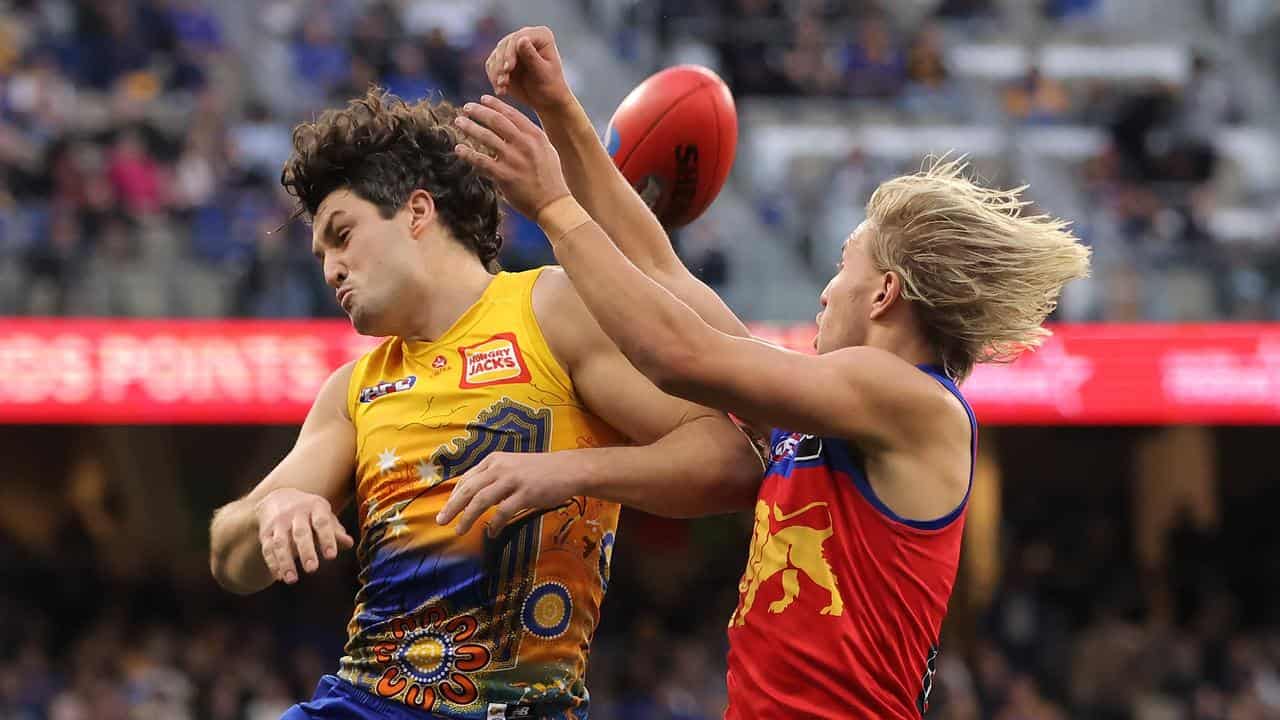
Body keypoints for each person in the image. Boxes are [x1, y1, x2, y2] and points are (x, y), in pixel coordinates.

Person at [446, 26, 1091, 719]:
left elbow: (677, 354)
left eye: (843, 266)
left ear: (884, 295)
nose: (824, 291)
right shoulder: (835, 401)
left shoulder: (912, 399)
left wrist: (553, 206)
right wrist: (563, 110)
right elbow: (662, 271)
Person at [208, 87, 763, 720]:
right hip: (367, 705)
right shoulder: (354, 389)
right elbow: (230, 555)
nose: (331, 268)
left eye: (342, 235)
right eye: (322, 255)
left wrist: (571, 470)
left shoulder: (551, 309)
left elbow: (732, 458)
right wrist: (275, 506)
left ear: (418, 211)